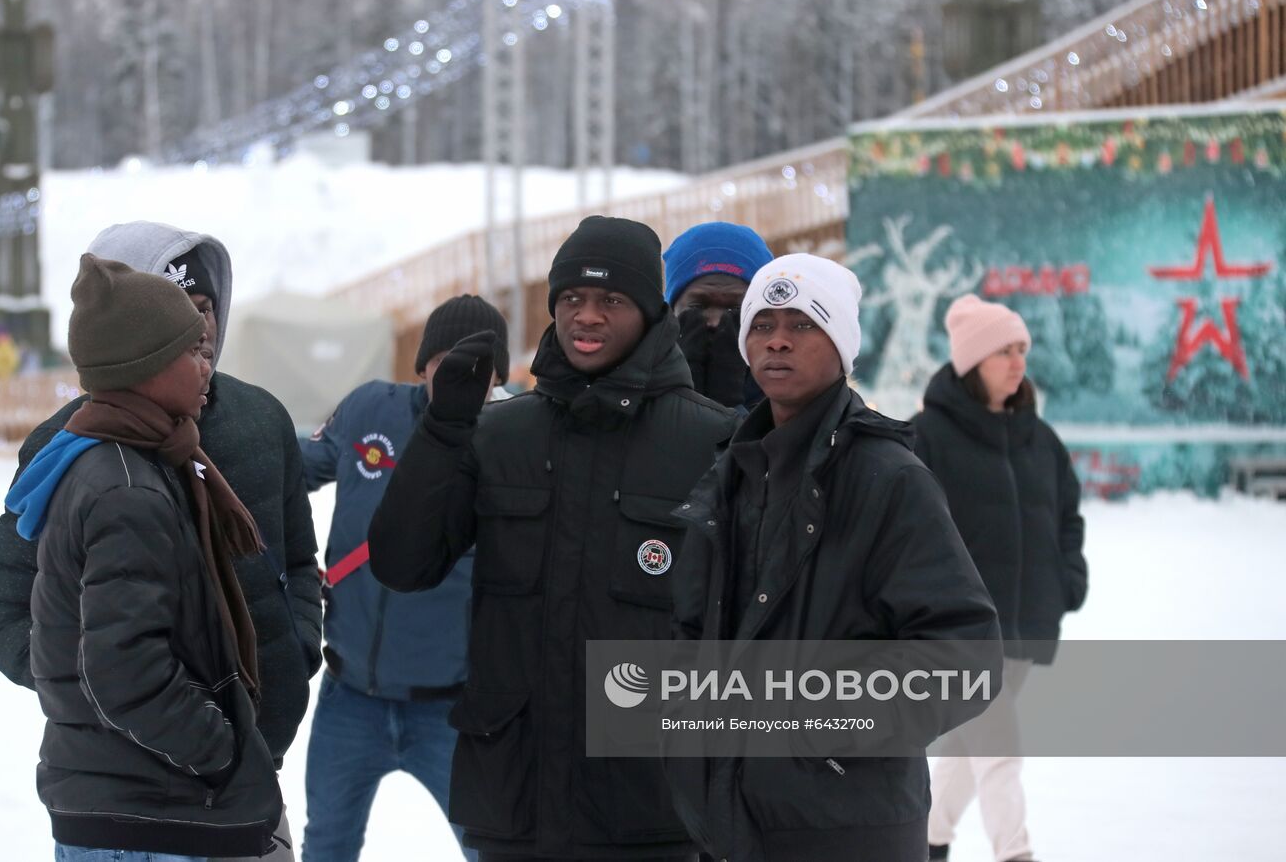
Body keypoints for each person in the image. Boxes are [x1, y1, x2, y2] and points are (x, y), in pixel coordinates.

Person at [368, 215, 736, 861]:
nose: (586, 316)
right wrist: (443, 430)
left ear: (651, 312)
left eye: (610, 300)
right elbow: (403, 563)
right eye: (571, 299)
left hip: (652, 812)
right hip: (515, 805)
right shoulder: (500, 434)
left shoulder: (712, 442)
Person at [0, 221, 320, 861]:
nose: (202, 329)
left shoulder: (261, 420)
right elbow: (0, 611)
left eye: (206, 307)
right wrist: (115, 702)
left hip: (247, 778)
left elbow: (297, 562)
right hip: (147, 795)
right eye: (179, 310)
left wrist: (295, 647)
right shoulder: (74, 450)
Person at [667, 254, 1003, 862]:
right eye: (763, 324)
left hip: (850, 831)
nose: (777, 341)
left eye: (802, 325)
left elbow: (966, 656)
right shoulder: (732, 473)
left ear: (841, 345)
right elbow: (693, 633)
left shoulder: (889, 477)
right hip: (731, 829)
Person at [300, 294, 508, 862]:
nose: (461, 377)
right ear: (422, 366)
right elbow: (292, 469)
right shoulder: (371, 409)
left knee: (490, 848)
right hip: (349, 699)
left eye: (479, 369)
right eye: (445, 361)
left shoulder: (510, 442)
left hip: (450, 712)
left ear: (498, 379)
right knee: (326, 844)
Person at [912, 294, 1088, 862]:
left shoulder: (1040, 439)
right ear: (970, 363)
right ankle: (1015, 852)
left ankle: (929, 840)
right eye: (1002, 352)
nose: (1017, 362)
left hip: (1028, 624)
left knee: (974, 745)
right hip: (963, 629)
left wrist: (1068, 577)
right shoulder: (927, 437)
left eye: (1021, 350)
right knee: (1000, 749)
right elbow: (907, 527)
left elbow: (1067, 515)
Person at [663, 221, 773, 410]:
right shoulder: (635, 390)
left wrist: (727, 402)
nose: (714, 322)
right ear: (671, 309)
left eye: (734, 309)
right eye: (698, 306)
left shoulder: (790, 395)